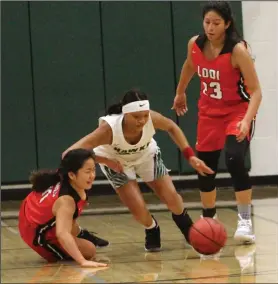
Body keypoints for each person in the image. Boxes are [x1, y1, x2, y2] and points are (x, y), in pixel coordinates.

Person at [63, 89, 214, 252]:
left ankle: (186, 226)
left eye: (144, 115)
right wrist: (106, 161)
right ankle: (152, 227)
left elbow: (172, 127)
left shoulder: (152, 119)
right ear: (125, 113)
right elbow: (69, 153)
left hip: (146, 155)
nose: (141, 121)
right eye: (136, 117)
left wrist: (190, 156)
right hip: (116, 162)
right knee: (138, 210)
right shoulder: (109, 130)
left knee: (172, 198)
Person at [172, 1, 262, 244]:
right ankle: (209, 218)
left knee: (234, 158)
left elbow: (256, 92)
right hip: (209, 114)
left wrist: (246, 120)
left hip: (236, 112)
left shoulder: (237, 51)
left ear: (227, 24)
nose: (210, 27)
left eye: (216, 23)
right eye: (207, 22)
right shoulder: (195, 44)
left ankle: (245, 220)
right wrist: (181, 92)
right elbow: (189, 66)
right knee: (205, 167)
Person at [18, 148, 109, 267]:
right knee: (89, 250)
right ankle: (59, 244)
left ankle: (82, 233)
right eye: (87, 171)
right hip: (34, 233)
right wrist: (82, 261)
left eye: (93, 170)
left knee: (69, 221)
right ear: (72, 174)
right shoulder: (66, 200)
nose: (92, 175)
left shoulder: (65, 176)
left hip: (31, 212)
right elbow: (62, 234)